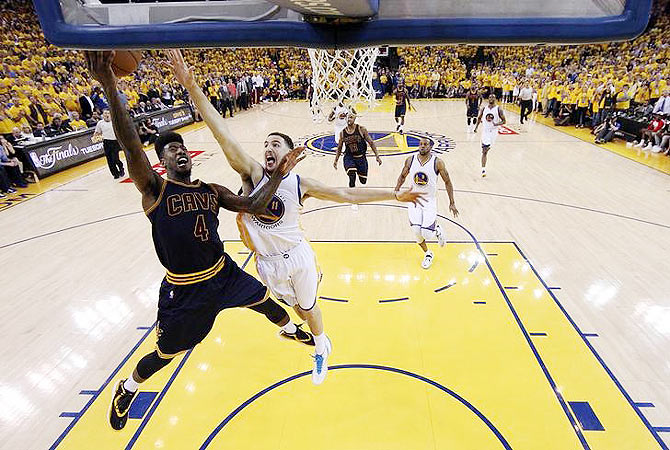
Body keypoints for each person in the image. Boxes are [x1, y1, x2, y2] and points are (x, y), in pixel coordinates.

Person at [85, 51, 312, 431]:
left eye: (182, 147)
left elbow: (253, 204)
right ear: (161, 161)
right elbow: (130, 146)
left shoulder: (211, 189)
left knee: (270, 305)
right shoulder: (154, 188)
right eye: (171, 149)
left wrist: (278, 176)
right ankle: (127, 388)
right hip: (186, 291)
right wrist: (109, 83)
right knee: (166, 353)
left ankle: (289, 329)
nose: (180, 151)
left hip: (224, 274)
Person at [167, 49, 423, 385]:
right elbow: (223, 135)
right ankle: (305, 318)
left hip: (297, 258)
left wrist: (393, 193)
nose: (268, 149)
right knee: (295, 308)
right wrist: (193, 89)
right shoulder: (252, 175)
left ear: (289, 153)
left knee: (309, 311)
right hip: (266, 264)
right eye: (266, 145)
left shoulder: (300, 183)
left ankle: (320, 349)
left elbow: (347, 194)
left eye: (276, 144)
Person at [394, 138, 459, 269]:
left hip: (429, 201)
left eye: (425, 144)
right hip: (413, 200)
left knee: (427, 234)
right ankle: (428, 253)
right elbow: (402, 176)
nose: (422, 146)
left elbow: (448, 182)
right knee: (416, 231)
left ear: (430, 147)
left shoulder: (437, 162)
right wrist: (396, 189)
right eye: (420, 144)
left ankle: (437, 231)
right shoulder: (410, 160)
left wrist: (452, 202)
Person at [333, 111, 382, 190]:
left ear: (355, 119)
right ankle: (352, 195)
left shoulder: (361, 129)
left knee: (363, 181)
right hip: (349, 157)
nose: (349, 119)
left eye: (351, 117)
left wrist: (377, 156)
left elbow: (371, 142)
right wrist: (336, 160)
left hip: (361, 158)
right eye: (348, 117)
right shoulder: (342, 133)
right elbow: (339, 147)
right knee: (352, 174)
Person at [474, 94, 506, 178]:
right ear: (488, 99)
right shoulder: (484, 108)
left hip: (494, 132)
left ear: (495, 99)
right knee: (484, 150)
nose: (491, 99)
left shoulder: (498, 109)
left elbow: (504, 121)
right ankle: (483, 169)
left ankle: (485, 150)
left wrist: (497, 123)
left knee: (488, 148)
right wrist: (476, 127)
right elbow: (479, 118)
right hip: (485, 131)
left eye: (493, 97)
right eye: (490, 97)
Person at [92, 109, 125, 180]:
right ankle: (115, 173)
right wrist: (95, 137)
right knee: (109, 160)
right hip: (106, 142)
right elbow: (97, 132)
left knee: (115, 158)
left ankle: (121, 167)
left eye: (108, 113)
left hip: (115, 142)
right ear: (102, 115)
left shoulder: (114, 122)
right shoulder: (100, 123)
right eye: (105, 114)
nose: (106, 115)